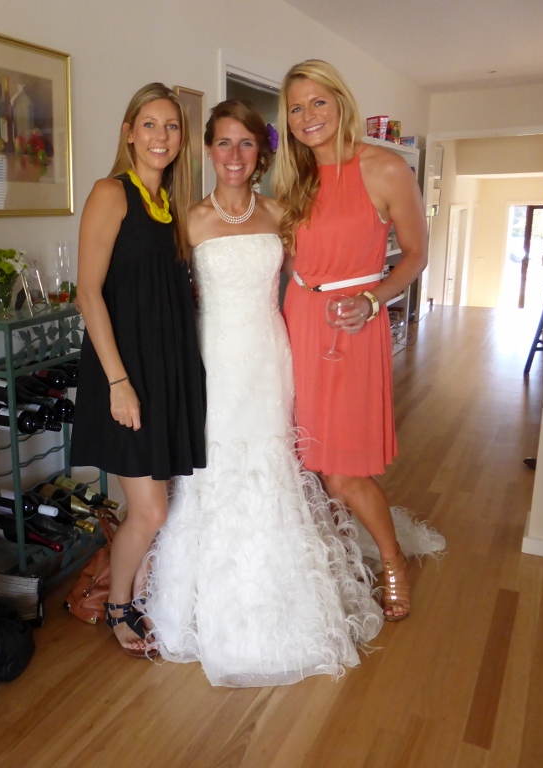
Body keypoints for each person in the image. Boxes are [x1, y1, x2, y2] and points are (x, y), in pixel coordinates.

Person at [142, 99, 386, 687]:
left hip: (272, 359)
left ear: (262, 153)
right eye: (223, 143)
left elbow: (315, 279)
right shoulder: (187, 221)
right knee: (216, 467)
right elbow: (166, 300)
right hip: (215, 363)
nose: (234, 155)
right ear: (207, 150)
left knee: (273, 465)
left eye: (246, 143)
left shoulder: (281, 214)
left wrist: (360, 306)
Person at [275, 60, 432, 621]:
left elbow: (416, 254)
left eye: (318, 102)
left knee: (343, 469)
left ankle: (392, 561)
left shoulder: (384, 167)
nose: (308, 116)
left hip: (353, 324)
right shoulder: (292, 178)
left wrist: (372, 300)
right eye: (296, 107)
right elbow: (288, 260)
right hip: (298, 318)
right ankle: (337, 554)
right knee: (306, 456)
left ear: (341, 102)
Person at [71, 83, 206, 656]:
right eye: (149, 124)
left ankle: (138, 586)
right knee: (151, 511)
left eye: (171, 126)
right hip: (126, 375)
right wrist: (118, 383)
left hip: (165, 371)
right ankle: (118, 604)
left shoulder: (171, 206)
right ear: (129, 133)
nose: (160, 136)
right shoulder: (112, 193)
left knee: (155, 502)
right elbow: (88, 293)